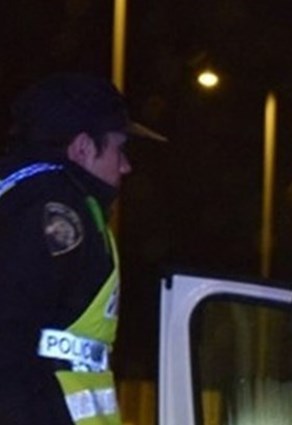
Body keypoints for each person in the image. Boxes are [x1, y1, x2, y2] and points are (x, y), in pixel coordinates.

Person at [0, 73, 166, 425]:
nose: (126, 166)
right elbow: (11, 344)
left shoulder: (27, 200)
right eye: (119, 149)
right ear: (82, 148)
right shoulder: (53, 214)